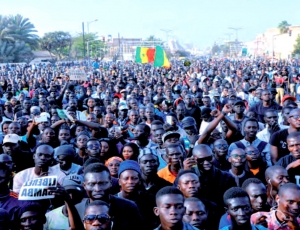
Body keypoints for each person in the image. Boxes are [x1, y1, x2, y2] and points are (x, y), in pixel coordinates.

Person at [75, 163, 143, 230]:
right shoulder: (77, 209)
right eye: (91, 184)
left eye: (102, 183)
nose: (97, 189)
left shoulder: (129, 207)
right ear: (84, 186)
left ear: (110, 183)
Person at [117, 160, 159, 229]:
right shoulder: (112, 201)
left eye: (134, 178)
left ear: (139, 180)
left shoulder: (150, 200)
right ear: (119, 181)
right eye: (126, 178)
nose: (130, 182)